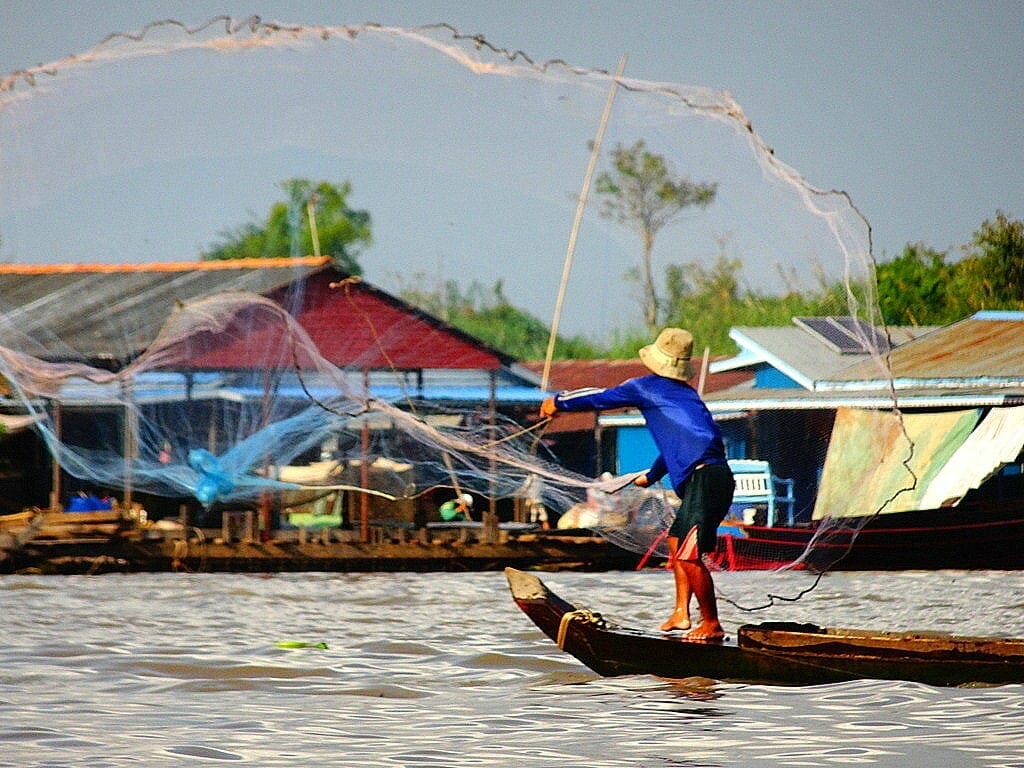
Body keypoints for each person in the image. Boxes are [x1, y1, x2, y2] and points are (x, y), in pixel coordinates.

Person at [540, 327, 734, 641]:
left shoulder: (645, 387)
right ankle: (681, 613)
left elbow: (601, 397)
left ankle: (711, 624)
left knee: (687, 555)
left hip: (706, 479)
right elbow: (682, 444)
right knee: (675, 543)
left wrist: (558, 402)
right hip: (712, 478)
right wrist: (653, 475)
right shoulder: (687, 395)